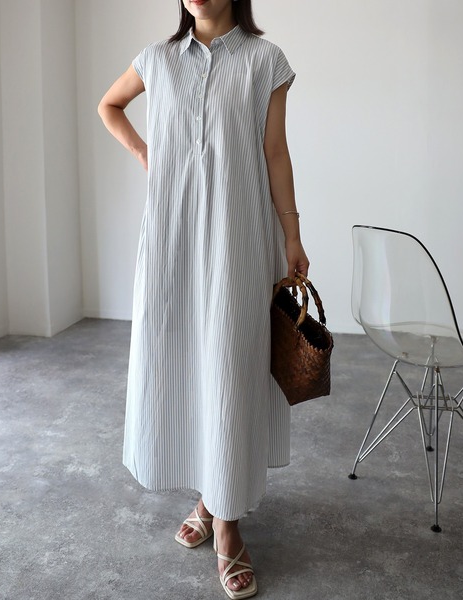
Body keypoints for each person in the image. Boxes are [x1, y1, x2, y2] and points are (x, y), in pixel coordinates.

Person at [98, 0, 309, 597]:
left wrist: (293, 236)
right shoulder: (157, 60)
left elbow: (275, 152)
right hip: (173, 240)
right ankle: (208, 497)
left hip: (240, 239)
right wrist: (147, 154)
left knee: (232, 371)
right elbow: (109, 105)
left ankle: (227, 523)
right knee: (186, 365)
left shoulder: (266, 61)